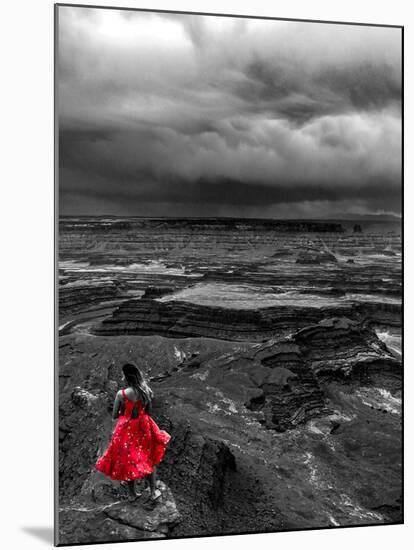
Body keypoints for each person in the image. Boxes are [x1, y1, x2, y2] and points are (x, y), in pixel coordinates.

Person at [95, 362, 171, 501]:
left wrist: (125, 411)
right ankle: (153, 492)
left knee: (128, 460)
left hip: (126, 429)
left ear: (126, 377)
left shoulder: (121, 394)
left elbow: (114, 415)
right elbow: (148, 411)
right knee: (149, 458)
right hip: (144, 426)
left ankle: (132, 494)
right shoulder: (146, 391)